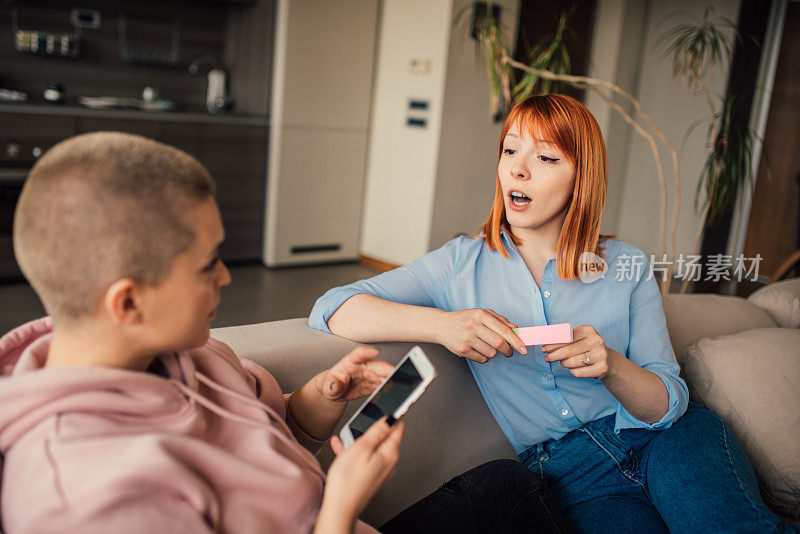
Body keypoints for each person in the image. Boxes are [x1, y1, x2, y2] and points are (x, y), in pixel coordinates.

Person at [0, 132, 562, 534]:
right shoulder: (83, 498)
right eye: (207, 264)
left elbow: (276, 431)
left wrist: (318, 400)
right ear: (127, 302)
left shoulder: (197, 353)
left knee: (511, 486)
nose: (226, 277)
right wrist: (340, 507)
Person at [309, 94, 799, 533]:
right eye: (510, 151)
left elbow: (668, 403)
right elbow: (331, 308)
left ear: (579, 178)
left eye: (545, 158)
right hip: (567, 476)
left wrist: (612, 364)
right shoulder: (458, 264)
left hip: (668, 443)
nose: (518, 171)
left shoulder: (626, 265)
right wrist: (444, 325)